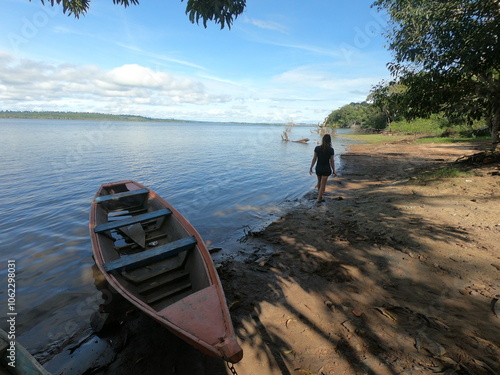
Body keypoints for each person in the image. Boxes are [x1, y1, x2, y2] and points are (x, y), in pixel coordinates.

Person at [309, 134, 337, 203]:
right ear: (330, 141)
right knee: (323, 184)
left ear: (323, 140)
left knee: (319, 182)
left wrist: (311, 167)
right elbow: (332, 161)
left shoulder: (317, 148)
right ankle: (319, 198)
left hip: (318, 168)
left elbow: (314, 158)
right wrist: (334, 170)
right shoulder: (331, 150)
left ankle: (320, 196)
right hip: (326, 168)